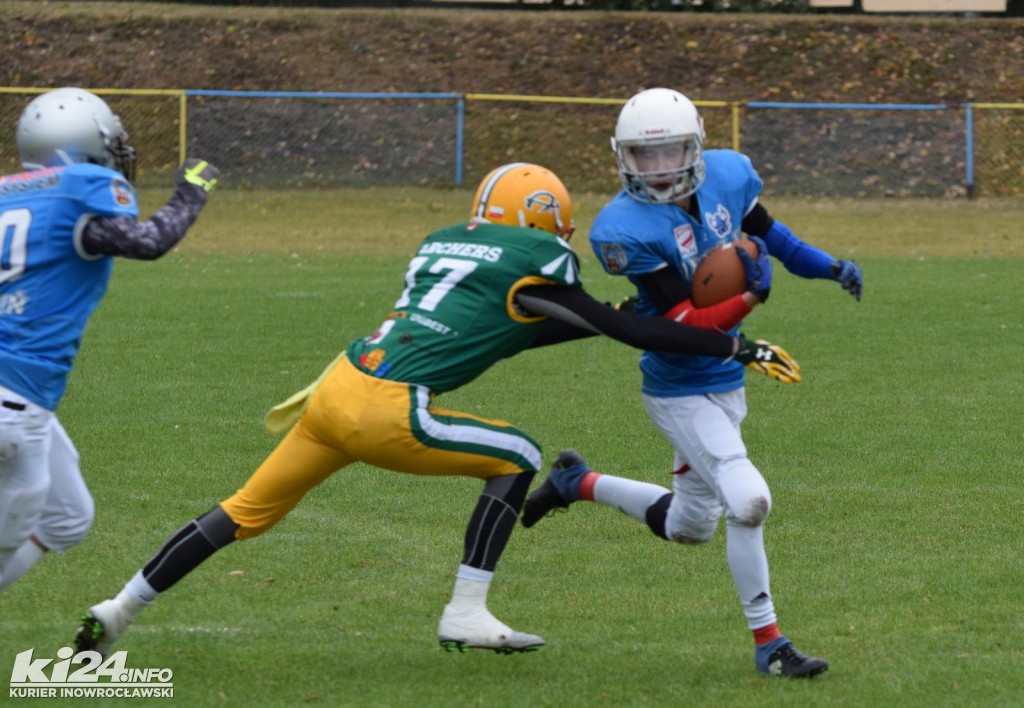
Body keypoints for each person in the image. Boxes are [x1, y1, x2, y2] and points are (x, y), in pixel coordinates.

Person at [74, 161, 800, 657]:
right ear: (545, 219)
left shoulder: (444, 243)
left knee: (240, 512)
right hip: (389, 408)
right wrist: (736, 347)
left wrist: (596, 318)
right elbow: (628, 328)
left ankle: (119, 607)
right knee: (516, 457)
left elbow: (508, 329)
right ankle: (466, 610)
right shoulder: (537, 260)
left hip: (336, 388)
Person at [522, 88, 863, 678]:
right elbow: (682, 324)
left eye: (670, 152)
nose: (657, 170)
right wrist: (753, 296)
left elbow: (776, 241)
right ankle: (771, 646)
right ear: (622, 156)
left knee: (689, 527)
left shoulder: (729, 176)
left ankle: (576, 482)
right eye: (641, 156)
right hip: (677, 388)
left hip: (724, 380)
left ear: (696, 147)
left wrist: (829, 266)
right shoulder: (624, 228)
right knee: (749, 500)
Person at [0, 87, 219, 591]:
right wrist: (192, 190)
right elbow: (147, 241)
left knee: (67, 516)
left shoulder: (14, 193)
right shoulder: (80, 187)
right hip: (16, 401)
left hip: (19, 395)